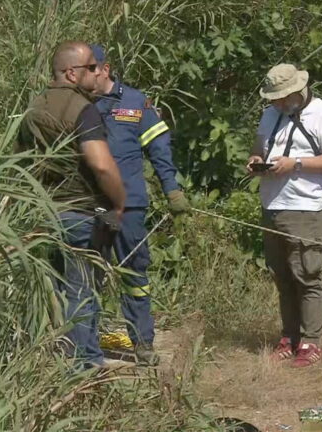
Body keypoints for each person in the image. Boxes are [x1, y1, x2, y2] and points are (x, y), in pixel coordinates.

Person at [16, 40, 126, 369]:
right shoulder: (82, 108)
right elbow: (102, 165)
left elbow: (19, 162)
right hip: (79, 213)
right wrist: (120, 202)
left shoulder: (33, 107)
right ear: (71, 73)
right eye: (91, 67)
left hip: (41, 212)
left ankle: (57, 363)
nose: (98, 72)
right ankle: (85, 368)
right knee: (83, 290)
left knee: (56, 291)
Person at [90, 44, 190, 366]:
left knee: (134, 274)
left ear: (105, 69)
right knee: (89, 274)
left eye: (90, 68)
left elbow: (159, 149)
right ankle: (85, 346)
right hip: (90, 205)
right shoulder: (77, 103)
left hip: (128, 206)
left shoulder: (135, 102)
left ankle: (142, 343)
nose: (83, 74)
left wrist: (171, 190)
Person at [247, 64, 322, 368]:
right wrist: (256, 160)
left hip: (306, 208)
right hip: (272, 205)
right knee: (283, 276)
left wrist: (296, 165)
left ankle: (311, 341)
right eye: (273, 98)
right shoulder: (270, 114)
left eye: (281, 98)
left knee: (308, 274)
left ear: (297, 90)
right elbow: (259, 146)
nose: (277, 103)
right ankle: (288, 337)